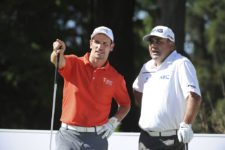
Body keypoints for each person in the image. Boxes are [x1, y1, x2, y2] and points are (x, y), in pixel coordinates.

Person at [50, 26, 131, 150]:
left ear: (111, 47)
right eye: (97, 42)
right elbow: (57, 61)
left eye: (105, 43)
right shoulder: (74, 63)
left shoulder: (116, 78)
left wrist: (113, 122)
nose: (100, 46)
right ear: (90, 44)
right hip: (68, 136)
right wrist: (58, 52)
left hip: (96, 138)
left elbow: (125, 105)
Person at [132, 25, 202, 150]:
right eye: (151, 41)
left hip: (172, 140)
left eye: (159, 41)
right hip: (146, 140)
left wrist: (186, 125)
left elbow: (194, 96)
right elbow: (137, 89)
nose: (154, 45)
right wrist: (150, 109)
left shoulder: (181, 63)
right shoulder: (146, 67)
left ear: (171, 45)